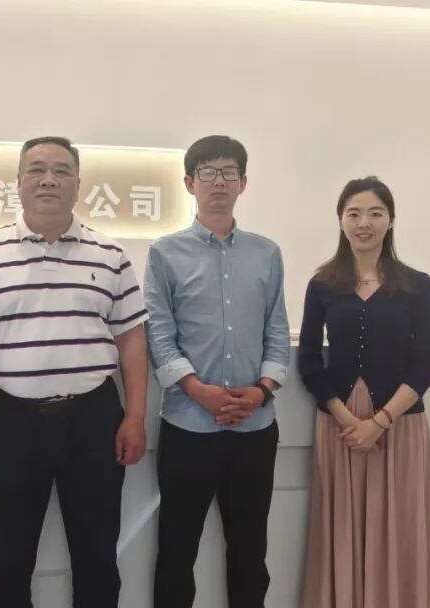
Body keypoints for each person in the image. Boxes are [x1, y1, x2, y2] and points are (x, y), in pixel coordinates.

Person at [0, 136, 149, 608]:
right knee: (7, 560)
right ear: (18, 181)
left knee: (97, 557)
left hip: (94, 418)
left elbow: (132, 341)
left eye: (61, 170)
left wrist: (135, 417)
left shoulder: (110, 254)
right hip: (13, 421)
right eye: (36, 169)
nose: (48, 179)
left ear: (78, 184)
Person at [144, 135, 290, 608]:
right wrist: (197, 390)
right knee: (176, 550)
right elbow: (159, 335)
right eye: (208, 172)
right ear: (190, 183)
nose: (219, 182)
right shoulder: (164, 253)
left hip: (255, 427)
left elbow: (276, 330)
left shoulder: (267, 253)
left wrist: (262, 390)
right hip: (188, 426)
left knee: (250, 552)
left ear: (243, 183)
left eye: (228, 172)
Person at [298, 176, 430, 608]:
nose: (364, 223)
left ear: (391, 220)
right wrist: (348, 420)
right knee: (342, 526)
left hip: (398, 424)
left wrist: (379, 422)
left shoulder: (418, 285)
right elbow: (309, 358)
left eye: (375, 213)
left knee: (398, 526)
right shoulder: (322, 285)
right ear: (341, 221)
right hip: (340, 427)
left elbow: (428, 360)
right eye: (354, 213)